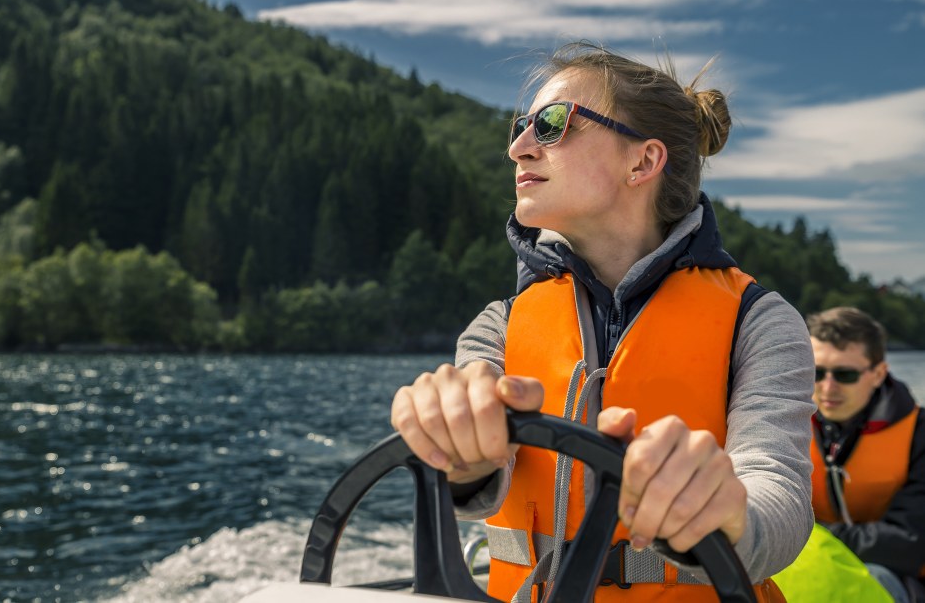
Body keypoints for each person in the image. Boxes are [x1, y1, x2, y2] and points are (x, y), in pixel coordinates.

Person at [390, 41, 815, 602]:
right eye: (520, 126)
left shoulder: (758, 322)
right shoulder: (500, 324)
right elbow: (476, 487)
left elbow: (777, 494)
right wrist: (456, 447)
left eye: (551, 124)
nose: (518, 148)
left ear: (643, 162)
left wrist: (726, 512)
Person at [805, 306, 925, 602]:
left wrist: (811, 537)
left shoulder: (919, 433)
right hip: (802, 565)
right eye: (817, 372)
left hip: (894, 576)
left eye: (845, 374)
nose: (828, 387)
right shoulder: (781, 425)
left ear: (878, 373)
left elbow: (911, 542)